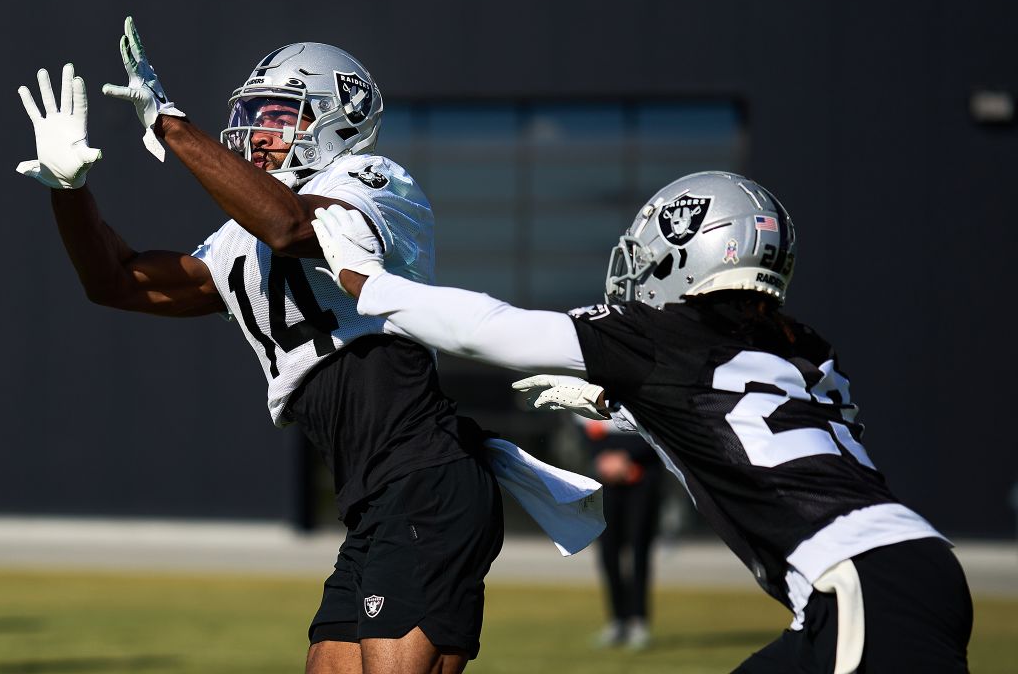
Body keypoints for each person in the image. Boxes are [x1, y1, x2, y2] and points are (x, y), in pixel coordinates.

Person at [310, 171, 974, 673]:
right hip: (905, 567)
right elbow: (743, 427)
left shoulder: (668, 335)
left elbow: (492, 331)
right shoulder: (800, 345)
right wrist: (619, 407)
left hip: (858, 582)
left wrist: (367, 282)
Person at [15, 18, 505, 673]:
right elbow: (118, 282)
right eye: (249, 114)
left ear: (341, 117)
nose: (254, 131)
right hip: (372, 495)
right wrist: (69, 191)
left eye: (277, 114)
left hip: (426, 478)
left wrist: (170, 124)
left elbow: (292, 227)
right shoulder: (235, 237)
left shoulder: (376, 182)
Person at [578, 412, 662, 650]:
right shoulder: (590, 391)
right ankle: (617, 621)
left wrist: (626, 457)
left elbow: (653, 431)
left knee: (639, 549)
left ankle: (638, 621)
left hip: (643, 476)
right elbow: (585, 428)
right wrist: (602, 458)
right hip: (606, 478)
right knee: (608, 550)